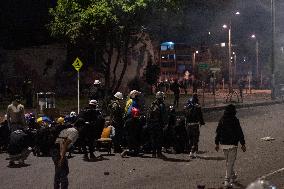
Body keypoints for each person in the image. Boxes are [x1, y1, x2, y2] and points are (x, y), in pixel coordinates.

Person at [215, 104, 246, 188]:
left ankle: (233, 176)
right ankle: (227, 180)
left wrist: (216, 143)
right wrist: (243, 144)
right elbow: (239, 132)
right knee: (230, 163)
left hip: (223, 144)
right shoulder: (235, 120)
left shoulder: (222, 119)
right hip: (232, 145)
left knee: (228, 162)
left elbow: (218, 132)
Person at [50, 119, 81, 189]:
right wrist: (62, 157)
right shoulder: (74, 131)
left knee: (58, 171)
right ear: (80, 126)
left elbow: (62, 141)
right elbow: (65, 144)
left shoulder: (69, 129)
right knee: (63, 171)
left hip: (54, 149)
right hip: (57, 150)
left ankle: (56, 187)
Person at [184, 94, 205, 158]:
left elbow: (185, 116)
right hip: (195, 125)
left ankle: (192, 151)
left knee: (190, 139)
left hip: (188, 125)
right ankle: (192, 152)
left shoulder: (187, 107)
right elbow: (200, 116)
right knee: (195, 139)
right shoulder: (197, 107)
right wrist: (202, 122)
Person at [147, 91, 167, 158]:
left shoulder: (152, 104)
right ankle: (159, 153)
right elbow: (164, 116)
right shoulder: (162, 105)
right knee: (159, 139)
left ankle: (153, 153)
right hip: (158, 125)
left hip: (152, 124)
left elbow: (148, 115)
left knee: (153, 139)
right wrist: (165, 124)